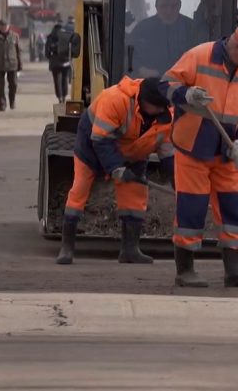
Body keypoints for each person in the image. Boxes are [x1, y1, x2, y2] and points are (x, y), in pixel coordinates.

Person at [159, 25, 238, 289]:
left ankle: (235, 269)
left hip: (227, 151)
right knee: (191, 209)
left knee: (232, 207)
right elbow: (165, 85)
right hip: (193, 147)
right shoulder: (200, 56)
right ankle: (185, 271)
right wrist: (186, 94)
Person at [57, 77, 175, 265]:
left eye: (164, 106)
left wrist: (179, 181)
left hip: (133, 154)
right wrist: (116, 169)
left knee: (135, 197)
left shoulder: (165, 115)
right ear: (144, 101)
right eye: (158, 106)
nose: (162, 110)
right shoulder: (115, 99)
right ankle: (67, 248)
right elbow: (101, 140)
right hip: (92, 149)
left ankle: (130, 250)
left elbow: (168, 154)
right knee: (79, 191)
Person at [128, 0, 195, 76]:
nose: (169, 11)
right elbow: (128, 54)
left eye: (173, 6)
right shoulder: (142, 28)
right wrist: (140, 69)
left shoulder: (192, 28)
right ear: (156, 6)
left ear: (180, 5)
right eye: (164, 6)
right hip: (149, 84)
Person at [0, 19, 22, 112]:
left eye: (6, 26)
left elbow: (19, 51)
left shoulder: (14, 37)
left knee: (13, 84)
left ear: (9, 26)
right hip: (0, 65)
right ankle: (2, 103)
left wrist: (20, 63)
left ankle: (12, 100)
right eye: (2, 26)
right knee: (0, 86)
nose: (4, 27)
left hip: (12, 64)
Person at [46, 20, 70, 103]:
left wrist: (50, 57)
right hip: (66, 62)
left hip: (55, 63)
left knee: (57, 81)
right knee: (64, 80)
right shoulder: (66, 36)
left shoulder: (50, 37)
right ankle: (64, 96)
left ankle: (59, 97)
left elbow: (47, 52)